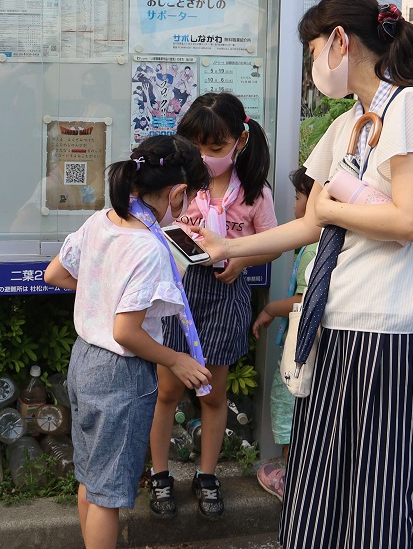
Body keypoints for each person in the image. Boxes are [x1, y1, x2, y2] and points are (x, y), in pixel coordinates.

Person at [191, 0, 413, 549]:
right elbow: (310, 224)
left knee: (378, 482)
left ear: (340, 41)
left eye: (314, 48)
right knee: (319, 476)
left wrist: (332, 208)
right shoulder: (347, 124)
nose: (314, 63)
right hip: (335, 316)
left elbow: (412, 219)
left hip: (390, 323)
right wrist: (229, 249)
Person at [44, 134, 213, 549]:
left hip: (84, 361)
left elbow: (56, 274)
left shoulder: (101, 220)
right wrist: (175, 358)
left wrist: (103, 292)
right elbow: (126, 332)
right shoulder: (149, 248)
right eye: (188, 196)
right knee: (109, 495)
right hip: (121, 374)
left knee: (91, 479)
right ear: (177, 192)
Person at [147, 91, 279, 520]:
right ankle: (160, 474)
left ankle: (207, 475)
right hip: (180, 292)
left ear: (240, 141)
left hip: (225, 296)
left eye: (216, 147)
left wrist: (242, 259)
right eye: (197, 146)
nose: (205, 156)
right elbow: (156, 230)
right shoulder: (180, 189)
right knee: (167, 390)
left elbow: (273, 245)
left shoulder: (256, 193)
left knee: (211, 393)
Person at [250, 166, 319, 502]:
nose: (294, 205)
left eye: (297, 197)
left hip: (301, 349)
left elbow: (302, 300)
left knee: (292, 404)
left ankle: (294, 483)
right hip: (318, 347)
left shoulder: (313, 248)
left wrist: (268, 309)